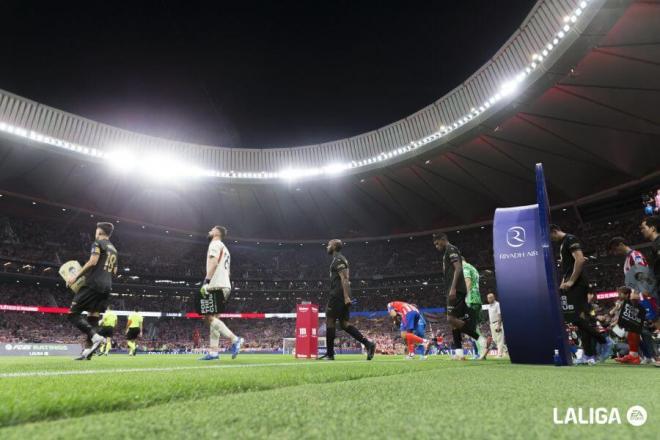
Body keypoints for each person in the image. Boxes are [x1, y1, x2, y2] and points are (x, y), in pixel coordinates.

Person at [549, 224, 613, 364]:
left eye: (550, 236)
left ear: (554, 231)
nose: (551, 240)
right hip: (571, 284)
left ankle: (604, 341)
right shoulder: (563, 244)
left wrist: (571, 281)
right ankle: (589, 354)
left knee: (576, 318)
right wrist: (563, 281)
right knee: (577, 319)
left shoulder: (570, 239)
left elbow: (580, 259)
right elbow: (568, 266)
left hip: (578, 284)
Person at [65, 222, 118, 360]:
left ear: (99, 232)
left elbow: (92, 262)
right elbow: (115, 271)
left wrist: (75, 277)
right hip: (107, 287)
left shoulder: (97, 243)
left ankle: (95, 338)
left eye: (96, 230)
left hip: (93, 284)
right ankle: (88, 353)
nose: (95, 232)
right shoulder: (114, 249)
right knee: (92, 317)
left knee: (72, 314)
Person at [432, 233, 487, 360]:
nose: (436, 246)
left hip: (456, 291)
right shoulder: (447, 252)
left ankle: (480, 339)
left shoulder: (451, 249)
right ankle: (459, 353)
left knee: (451, 319)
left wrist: (453, 289)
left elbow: (458, 269)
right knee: (454, 322)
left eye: (437, 243)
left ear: (443, 240)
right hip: (455, 291)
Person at [318, 239, 375, 360]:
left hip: (338, 295)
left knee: (330, 320)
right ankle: (368, 344)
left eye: (329, 245)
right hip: (342, 294)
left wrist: (346, 297)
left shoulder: (338, 259)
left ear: (333, 246)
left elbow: (345, 279)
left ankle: (330, 353)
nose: (327, 247)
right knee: (344, 324)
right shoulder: (340, 259)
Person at [198, 225, 243, 361]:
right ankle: (213, 353)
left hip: (216, 285)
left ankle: (236, 339)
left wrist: (206, 282)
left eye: (211, 229)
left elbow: (213, 262)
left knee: (207, 317)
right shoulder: (225, 248)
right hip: (224, 285)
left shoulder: (215, 244)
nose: (209, 230)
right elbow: (228, 271)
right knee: (214, 319)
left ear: (217, 232)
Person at [463, 257, 487, 359]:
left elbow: (467, 282)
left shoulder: (465, 268)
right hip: (477, 299)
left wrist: (464, 297)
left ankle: (483, 344)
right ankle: (481, 352)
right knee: (473, 326)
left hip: (470, 300)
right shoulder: (473, 268)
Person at [486, 293, 507, 357]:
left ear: (494, 297)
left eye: (490, 297)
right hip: (491, 324)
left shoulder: (497, 304)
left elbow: (499, 315)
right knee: (495, 339)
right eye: (488, 298)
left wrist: (499, 325)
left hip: (497, 323)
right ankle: (505, 350)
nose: (489, 299)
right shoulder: (489, 306)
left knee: (499, 339)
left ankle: (499, 354)